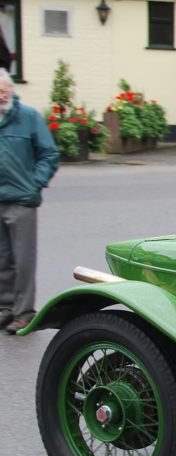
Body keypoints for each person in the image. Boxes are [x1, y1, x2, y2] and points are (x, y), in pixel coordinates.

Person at [0, 67, 60, 333]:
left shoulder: (28, 116)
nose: (1, 95)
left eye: (4, 90)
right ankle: (5, 308)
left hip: (21, 199)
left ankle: (24, 312)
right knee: (1, 259)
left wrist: (34, 183)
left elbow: (49, 154)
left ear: (12, 91)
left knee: (23, 259)